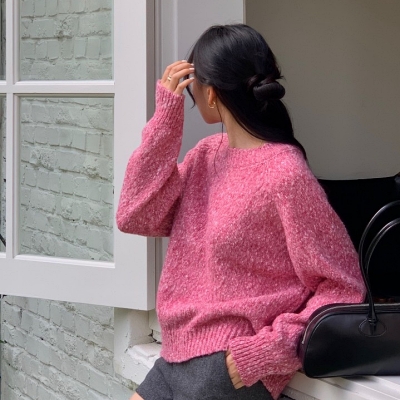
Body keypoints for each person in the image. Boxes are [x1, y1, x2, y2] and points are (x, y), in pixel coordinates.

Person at [117, 24, 365, 400]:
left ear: (211, 93)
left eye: (193, 87)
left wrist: (263, 353)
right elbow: (136, 214)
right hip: (174, 357)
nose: (190, 95)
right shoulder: (205, 156)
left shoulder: (284, 173)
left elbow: (343, 287)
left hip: (226, 370)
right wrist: (165, 120)